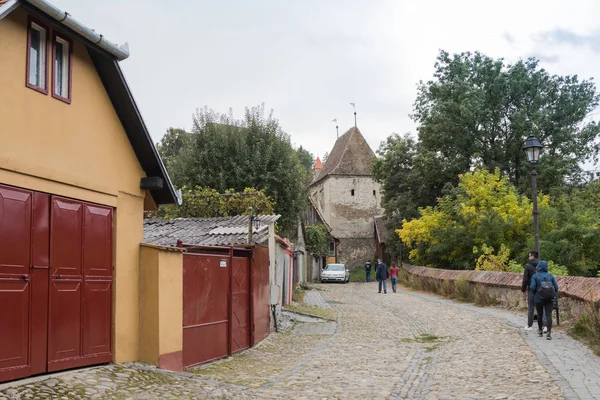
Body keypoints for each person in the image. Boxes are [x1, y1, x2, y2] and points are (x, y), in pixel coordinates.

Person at [530, 260, 559, 340]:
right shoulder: (550, 276)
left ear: (538, 267)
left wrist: (536, 293)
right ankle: (549, 333)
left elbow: (532, 287)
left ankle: (540, 331)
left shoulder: (535, 276)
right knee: (548, 315)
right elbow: (556, 288)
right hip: (549, 298)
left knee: (540, 314)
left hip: (538, 298)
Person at [521, 251, 541, 331]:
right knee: (541, 307)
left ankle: (529, 325)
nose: (529, 257)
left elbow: (525, 279)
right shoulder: (542, 265)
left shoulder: (528, 266)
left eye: (529, 256)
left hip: (532, 289)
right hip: (541, 289)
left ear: (532, 256)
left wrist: (523, 289)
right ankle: (544, 325)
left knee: (531, 307)